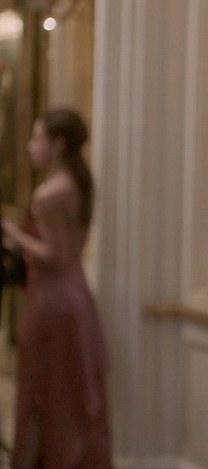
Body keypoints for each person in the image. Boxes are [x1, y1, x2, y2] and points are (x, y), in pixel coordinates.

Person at [2, 108, 111, 468]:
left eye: (37, 138)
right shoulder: (79, 183)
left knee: (45, 394)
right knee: (72, 396)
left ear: (58, 144)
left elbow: (55, 255)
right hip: (77, 298)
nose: (30, 146)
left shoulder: (49, 194)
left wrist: (12, 232)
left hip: (52, 301)